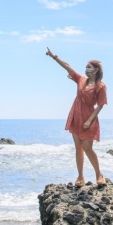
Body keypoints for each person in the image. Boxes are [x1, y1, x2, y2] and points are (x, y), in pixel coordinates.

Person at [45, 47, 108, 187]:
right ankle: (80, 177)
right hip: (75, 115)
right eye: (86, 67)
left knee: (87, 147)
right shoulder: (81, 80)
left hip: (88, 117)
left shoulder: (101, 86)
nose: (87, 69)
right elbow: (68, 67)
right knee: (78, 147)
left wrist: (89, 120)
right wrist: (54, 56)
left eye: (90, 67)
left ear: (96, 70)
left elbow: (100, 105)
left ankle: (99, 174)